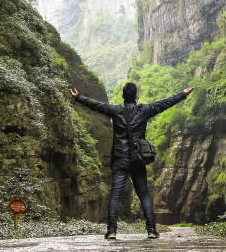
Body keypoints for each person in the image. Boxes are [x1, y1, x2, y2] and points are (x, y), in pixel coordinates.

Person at [69, 82, 194, 240]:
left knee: (115, 195)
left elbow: (96, 106)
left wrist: (78, 97)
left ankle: (112, 231)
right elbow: (164, 103)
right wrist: (182, 94)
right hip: (138, 159)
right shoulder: (145, 110)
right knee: (144, 195)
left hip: (120, 159)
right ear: (136, 95)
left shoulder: (115, 111)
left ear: (122, 96)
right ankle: (151, 230)